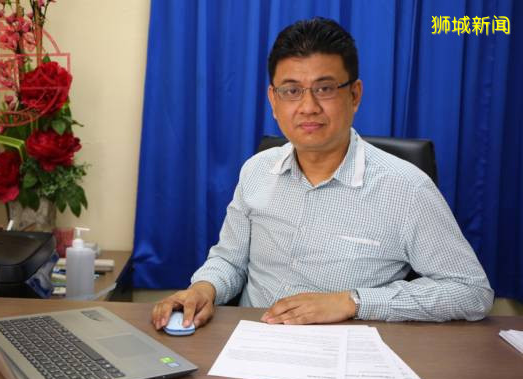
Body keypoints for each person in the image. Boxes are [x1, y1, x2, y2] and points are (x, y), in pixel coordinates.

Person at [151, 17, 494, 331]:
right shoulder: (256, 170)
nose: (308, 107)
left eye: (325, 88)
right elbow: (229, 260)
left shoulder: (406, 188)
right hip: (251, 341)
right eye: (291, 91)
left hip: (344, 353)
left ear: (355, 95)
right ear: (273, 100)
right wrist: (204, 288)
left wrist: (352, 302)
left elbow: (471, 291)